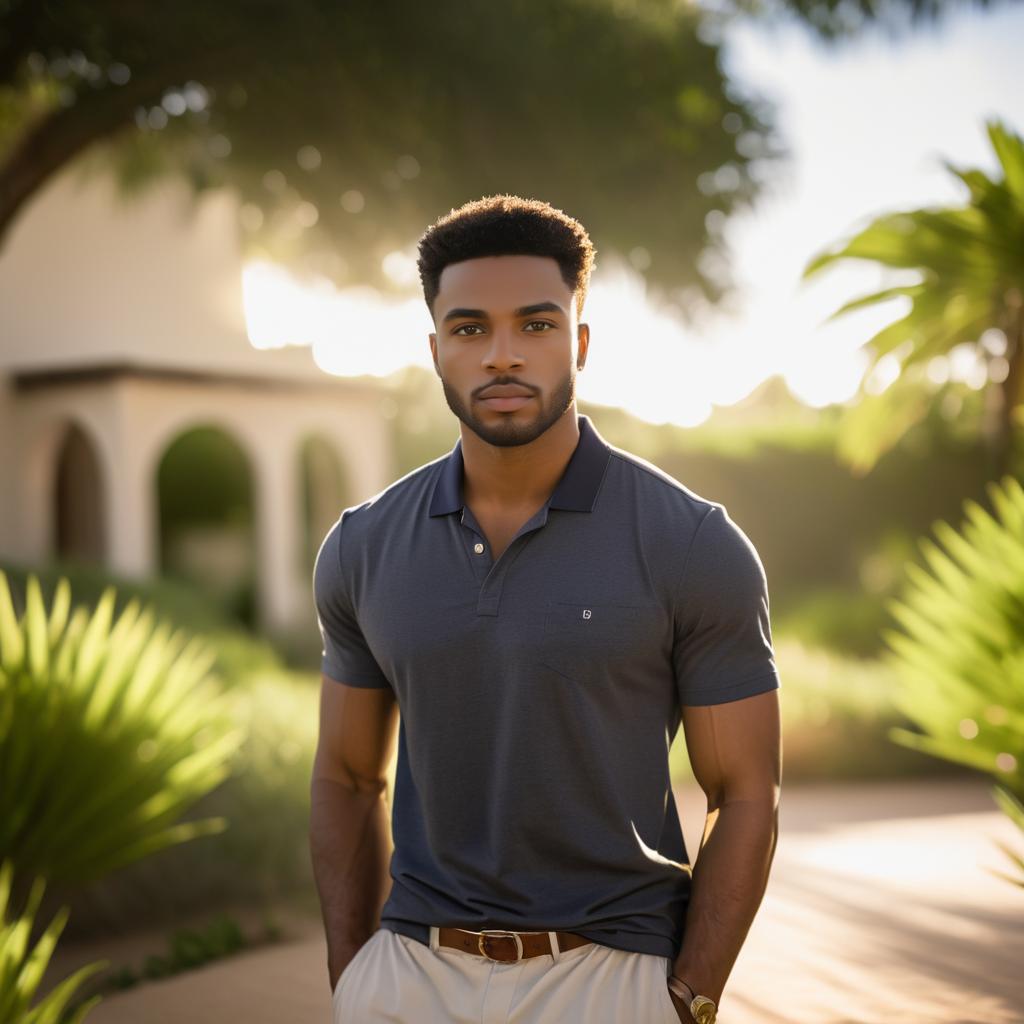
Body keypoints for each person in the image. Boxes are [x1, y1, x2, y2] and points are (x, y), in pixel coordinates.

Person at [310, 195, 782, 1023]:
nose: (501, 357)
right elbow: (349, 777)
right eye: (468, 330)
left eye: (535, 325)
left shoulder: (689, 543)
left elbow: (745, 793)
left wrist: (687, 1000)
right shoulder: (363, 546)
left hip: (607, 976)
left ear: (580, 341)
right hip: (408, 975)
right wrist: (354, 975)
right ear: (434, 351)